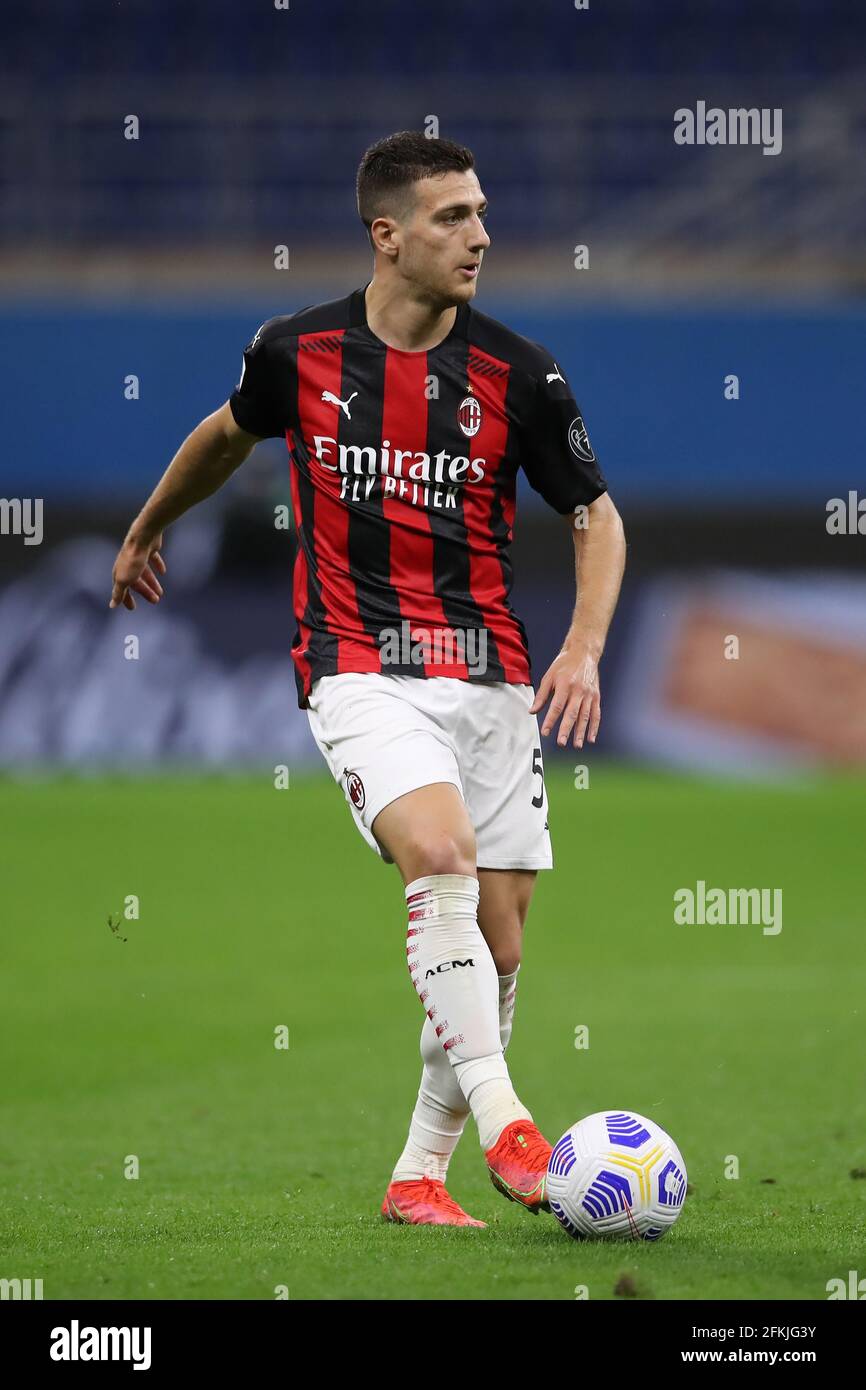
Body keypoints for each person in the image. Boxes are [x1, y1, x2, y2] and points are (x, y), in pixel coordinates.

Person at [109, 130, 626, 1227]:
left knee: (498, 941)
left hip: (489, 674)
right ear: (385, 235)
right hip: (356, 663)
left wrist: (581, 646)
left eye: (481, 213)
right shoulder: (294, 353)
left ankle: (416, 1176)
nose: (480, 235)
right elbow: (224, 436)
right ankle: (507, 1123)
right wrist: (149, 526)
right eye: (452, 217)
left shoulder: (518, 373)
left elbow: (594, 515)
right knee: (433, 855)